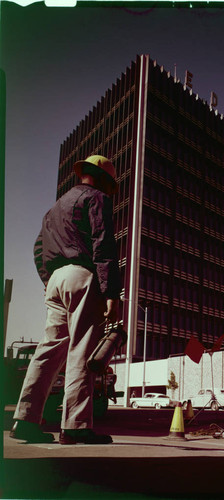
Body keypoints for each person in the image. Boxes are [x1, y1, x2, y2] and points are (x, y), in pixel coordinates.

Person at [10, 155, 122, 445]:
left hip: (56, 280)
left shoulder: (54, 209)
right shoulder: (97, 199)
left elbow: (38, 248)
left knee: (47, 351)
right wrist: (111, 293)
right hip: (82, 276)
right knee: (82, 351)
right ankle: (75, 426)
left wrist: (50, 282)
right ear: (103, 180)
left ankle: (25, 420)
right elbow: (103, 243)